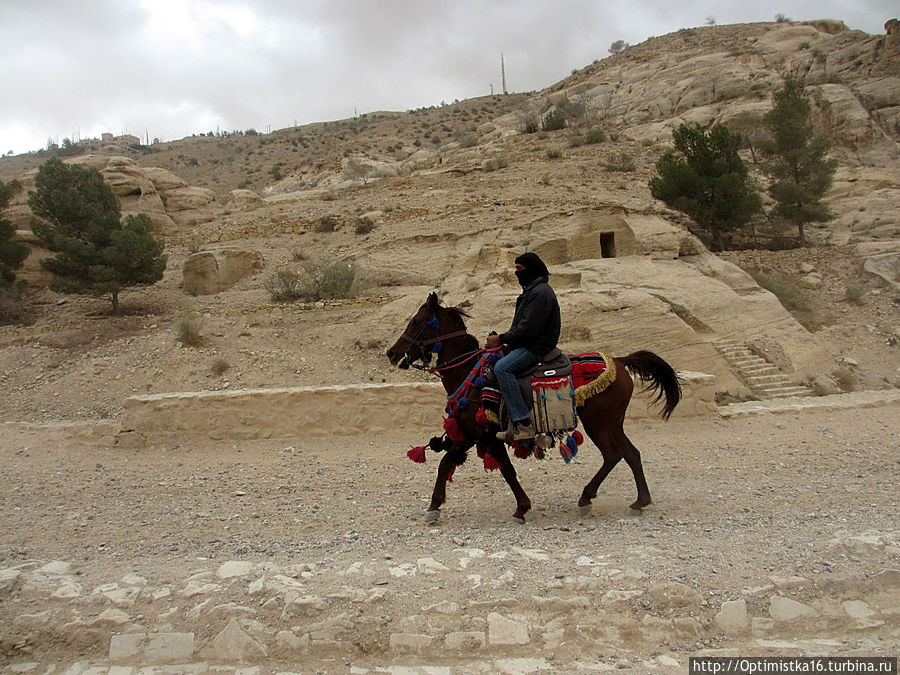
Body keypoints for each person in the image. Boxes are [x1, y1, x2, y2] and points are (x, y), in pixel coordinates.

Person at [486, 252, 561, 441]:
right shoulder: (533, 291)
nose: (516, 273)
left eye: (519, 269)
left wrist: (502, 338)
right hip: (527, 342)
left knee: (502, 368)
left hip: (536, 346)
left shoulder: (540, 293)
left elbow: (528, 329)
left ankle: (523, 423)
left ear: (531, 269)